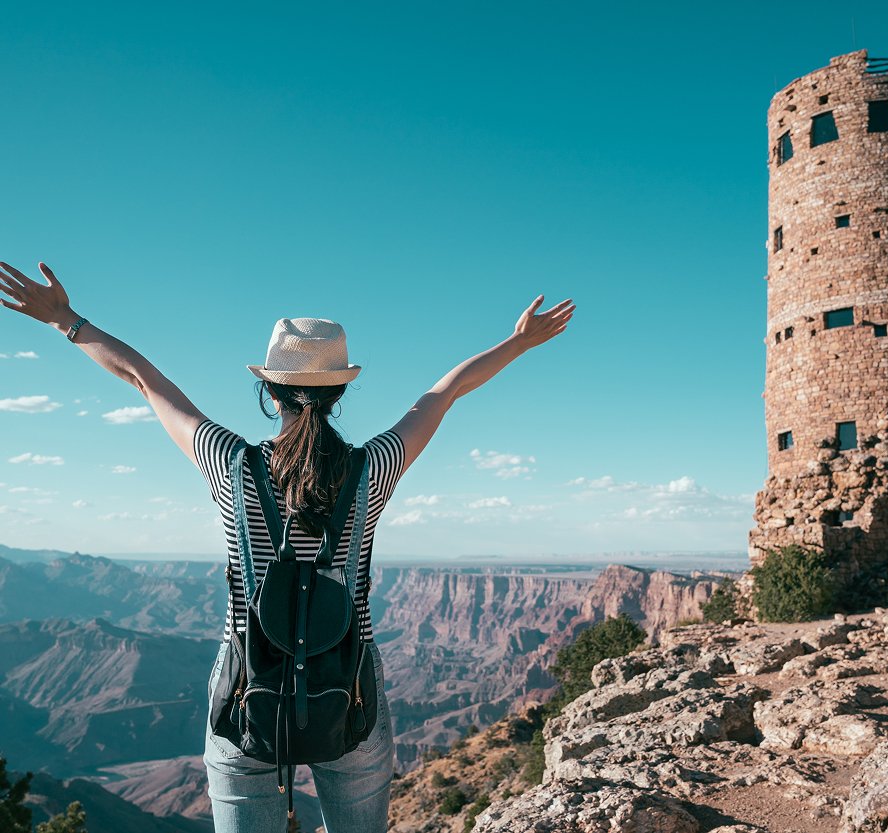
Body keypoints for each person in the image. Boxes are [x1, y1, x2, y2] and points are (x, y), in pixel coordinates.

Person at [0, 260, 575, 833]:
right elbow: (444, 394)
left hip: (247, 686)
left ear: (269, 391)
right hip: (349, 685)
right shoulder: (371, 469)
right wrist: (519, 342)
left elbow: (145, 380)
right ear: (339, 394)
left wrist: (66, 320)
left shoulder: (232, 465)